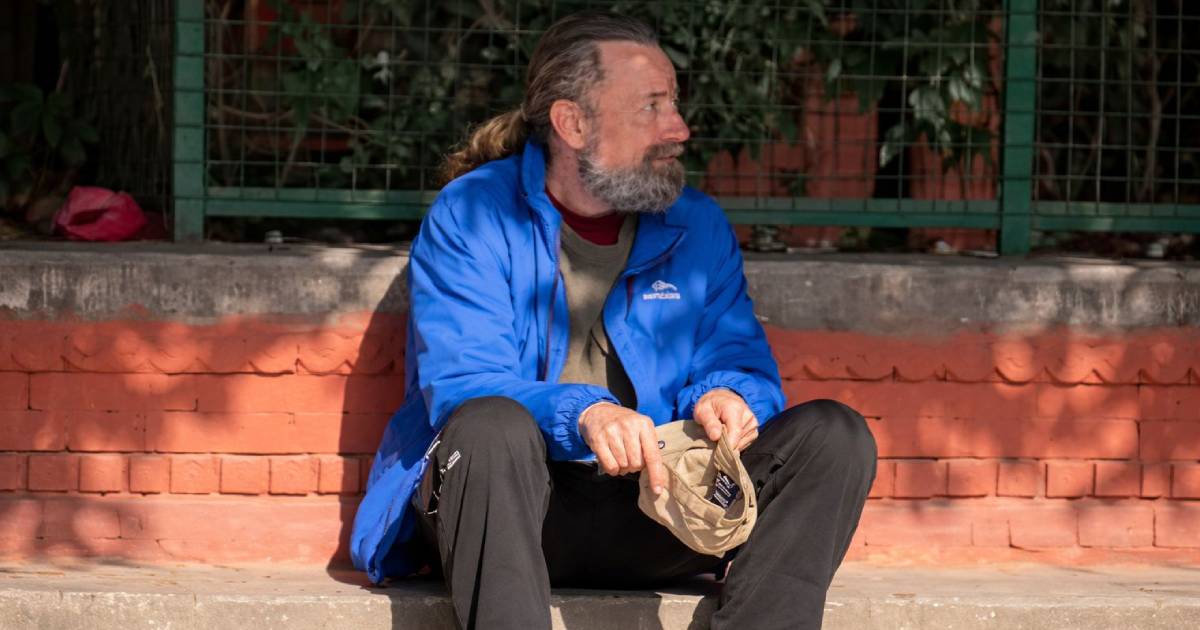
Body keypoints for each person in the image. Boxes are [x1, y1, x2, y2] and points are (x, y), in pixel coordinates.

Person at [351, 10, 876, 630]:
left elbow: (735, 356)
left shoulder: (697, 224)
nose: (678, 128)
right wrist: (585, 413)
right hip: (512, 514)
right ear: (572, 123)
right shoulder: (473, 214)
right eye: (650, 108)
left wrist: (729, 395)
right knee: (488, 427)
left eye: (673, 104)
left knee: (834, 438)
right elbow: (463, 383)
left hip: (664, 506)